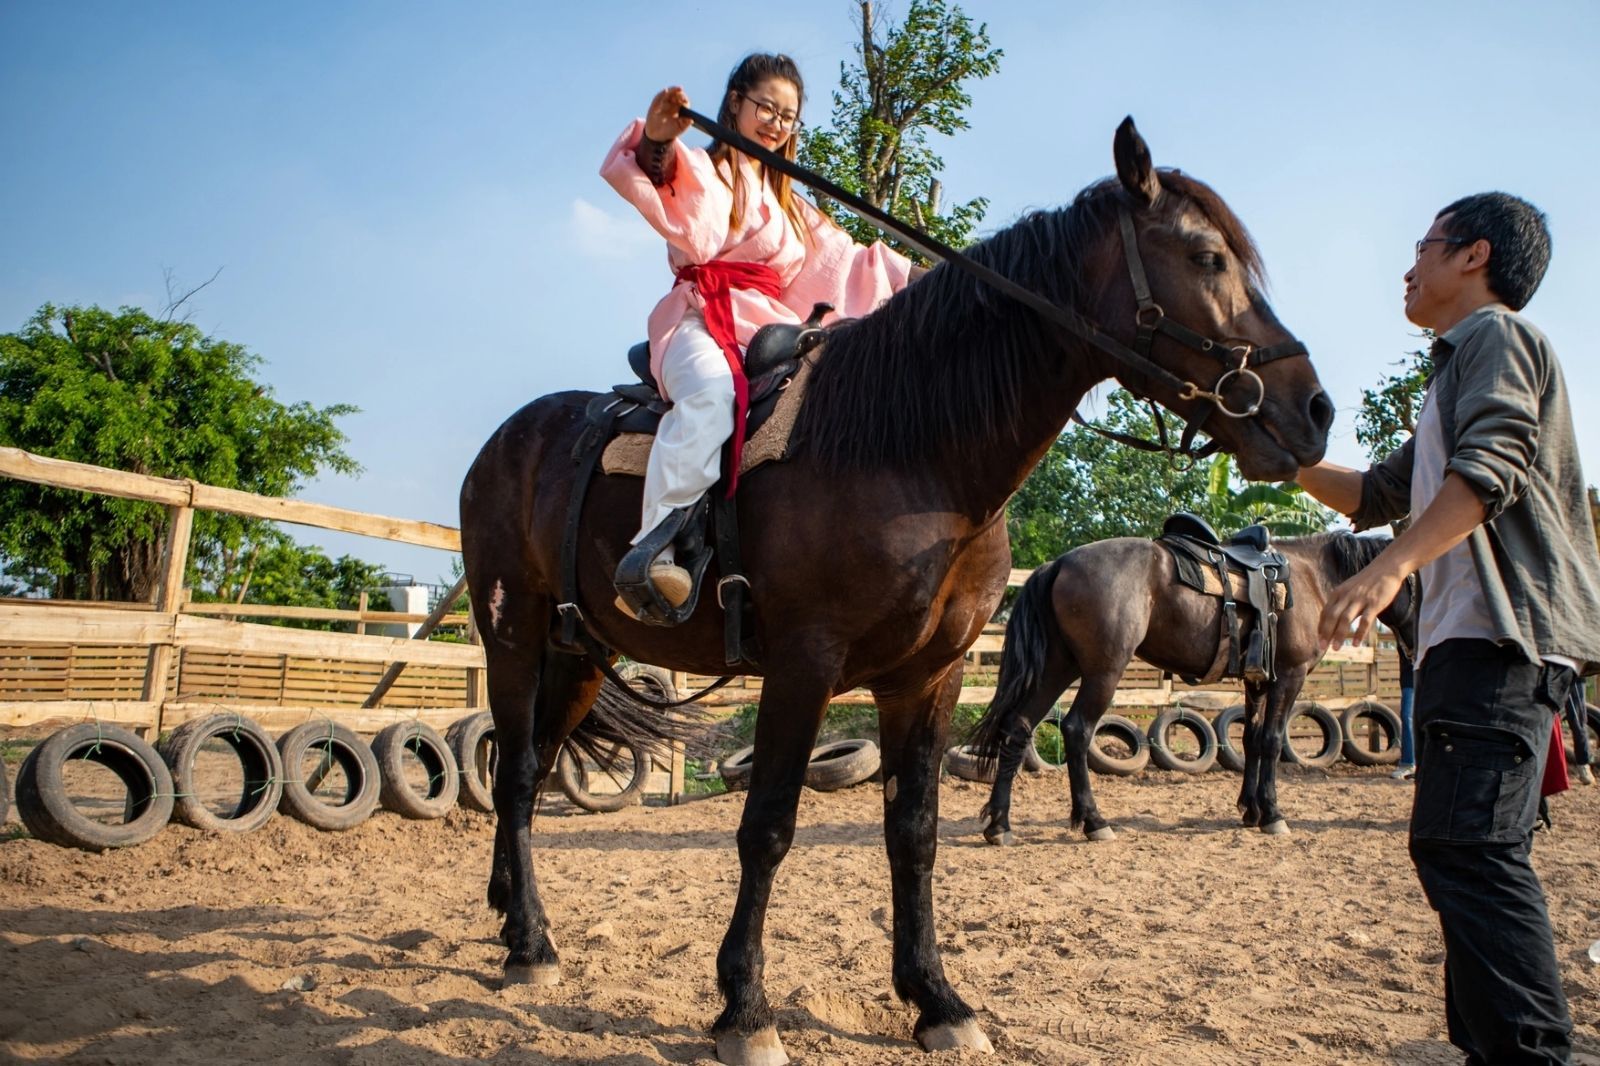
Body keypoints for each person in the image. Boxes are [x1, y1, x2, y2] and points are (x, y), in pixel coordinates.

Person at [1297, 192, 1600, 1064]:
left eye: (1422, 246)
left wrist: (1390, 567)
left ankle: (1529, 1054)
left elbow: (1492, 467)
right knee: (1456, 851)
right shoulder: (1453, 370)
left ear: (1472, 255)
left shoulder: (1499, 339)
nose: (1408, 265)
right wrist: (1272, 452)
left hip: (1501, 643)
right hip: (1466, 644)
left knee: (1471, 852)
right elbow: (1373, 494)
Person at [600, 53, 918, 618]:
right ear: (735, 104)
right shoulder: (706, 168)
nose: (776, 121)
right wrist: (656, 139)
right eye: (766, 107)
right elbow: (661, 174)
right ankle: (653, 549)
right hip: (701, 317)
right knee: (712, 395)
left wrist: (935, 281)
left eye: (788, 115)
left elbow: (849, 263)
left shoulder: (794, 210)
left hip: (769, 328)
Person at [1390, 648, 1416, 780]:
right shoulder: (1402, 631)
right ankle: (1408, 763)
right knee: (1407, 715)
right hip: (1409, 676)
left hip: (1433, 673)